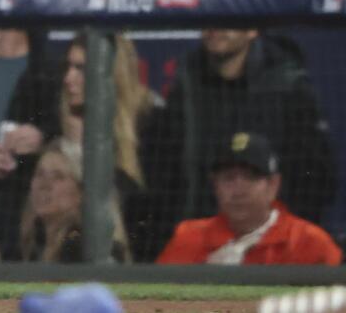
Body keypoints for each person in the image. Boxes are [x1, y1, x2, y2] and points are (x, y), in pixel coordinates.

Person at [145, 30, 338, 248]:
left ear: (251, 30)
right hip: (203, 242)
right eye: (209, 17)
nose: (215, 28)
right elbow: (165, 171)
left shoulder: (287, 83)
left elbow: (315, 178)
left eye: (226, 18)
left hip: (275, 244)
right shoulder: (186, 81)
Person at [156, 133, 343, 266]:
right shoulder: (189, 237)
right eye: (228, 178)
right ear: (215, 186)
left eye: (251, 177)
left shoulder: (309, 241)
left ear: (274, 184)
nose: (238, 190)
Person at [18, 141, 128, 263]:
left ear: (81, 193)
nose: (44, 185)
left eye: (58, 177)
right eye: (39, 174)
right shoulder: (33, 245)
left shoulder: (85, 250)